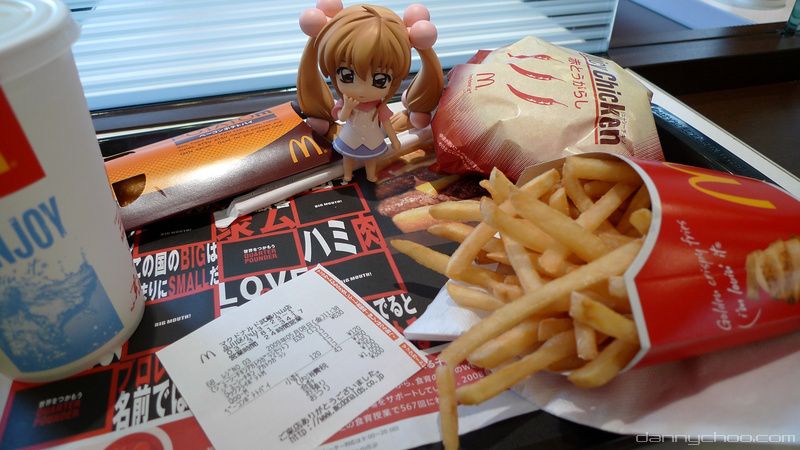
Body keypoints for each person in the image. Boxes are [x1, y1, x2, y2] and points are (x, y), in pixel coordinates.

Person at [297, 1, 443, 182]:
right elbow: (342, 117)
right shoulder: (347, 102)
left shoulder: (378, 106)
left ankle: (371, 175)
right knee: (348, 158)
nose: (361, 89)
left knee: (371, 159)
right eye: (347, 76)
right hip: (350, 137)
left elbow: (386, 123)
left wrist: (394, 140)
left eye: (380, 80)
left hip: (372, 138)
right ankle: (348, 174)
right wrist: (347, 107)